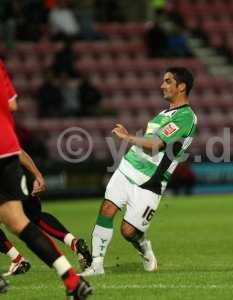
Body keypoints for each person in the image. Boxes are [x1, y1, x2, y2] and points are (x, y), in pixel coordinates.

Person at [81, 67, 197, 276]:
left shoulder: (186, 117)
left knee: (129, 231)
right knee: (107, 209)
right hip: (128, 168)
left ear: (181, 87)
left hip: (150, 182)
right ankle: (96, 265)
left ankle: (144, 247)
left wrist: (127, 138)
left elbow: (155, 144)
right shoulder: (163, 114)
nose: (162, 85)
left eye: (168, 81)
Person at [0, 59, 92, 298]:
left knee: (26, 218)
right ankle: (72, 280)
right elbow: (12, 104)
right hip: (7, 148)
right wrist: (37, 173)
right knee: (20, 221)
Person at [0, 149, 92, 277]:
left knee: (24, 219)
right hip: (21, 173)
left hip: (6, 178)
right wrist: (37, 175)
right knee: (35, 216)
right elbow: (19, 151)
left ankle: (17, 260)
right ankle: (74, 243)